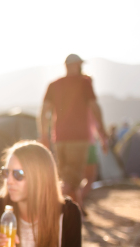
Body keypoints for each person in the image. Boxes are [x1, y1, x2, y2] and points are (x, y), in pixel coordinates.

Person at [39, 54, 108, 210]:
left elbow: (44, 112)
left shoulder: (54, 85)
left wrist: (44, 134)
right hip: (79, 137)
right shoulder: (84, 83)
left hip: (59, 138)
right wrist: (103, 132)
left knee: (66, 177)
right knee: (72, 180)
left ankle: (76, 211)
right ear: (77, 65)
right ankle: (52, 207)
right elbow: (95, 107)